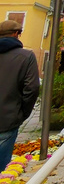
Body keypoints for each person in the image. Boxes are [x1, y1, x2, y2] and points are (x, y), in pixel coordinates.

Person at [0, 19, 40, 171]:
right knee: (2, 171)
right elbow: (32, 88)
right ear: (16, 34)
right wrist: (22, 112)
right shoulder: (26, 56)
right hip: (7, 119)